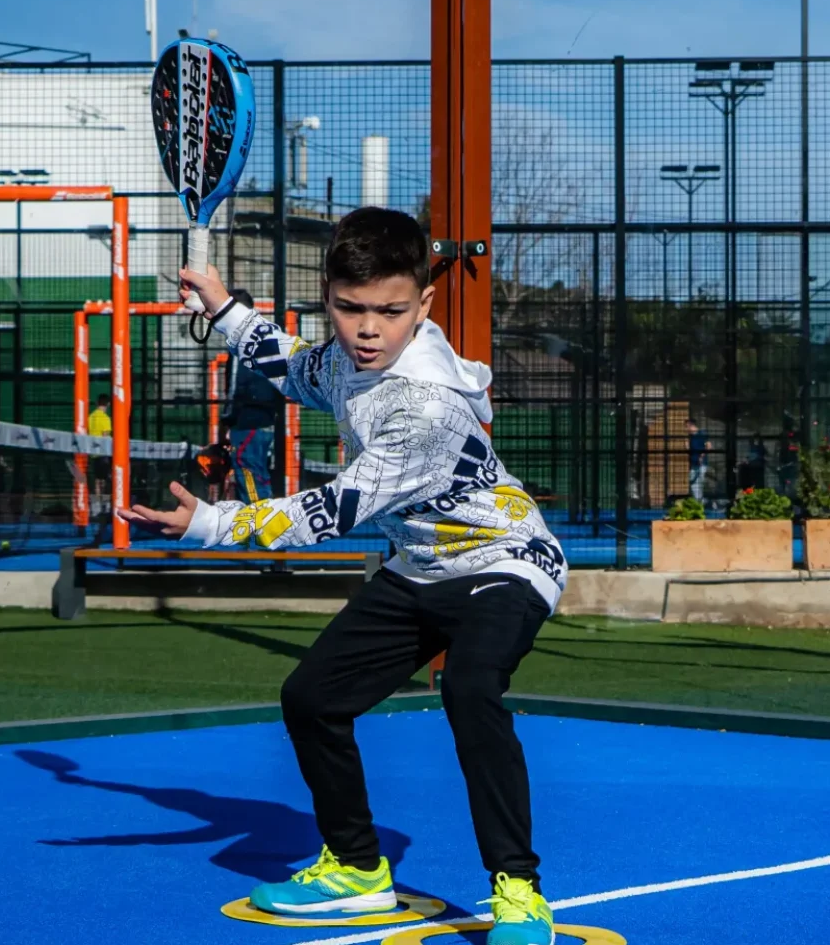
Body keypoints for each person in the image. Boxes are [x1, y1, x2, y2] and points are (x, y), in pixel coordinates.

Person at [118, 207, 566, 945]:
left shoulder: (423, 405)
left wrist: (208, 524)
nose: (367, 329)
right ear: (328, 297)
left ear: (423, 305)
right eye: (349, 308)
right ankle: (359, 870)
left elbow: (328, 513)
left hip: (506, 562)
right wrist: (226, 309)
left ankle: (517, 890)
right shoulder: (344, 361)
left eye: (389, 312)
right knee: (311, 699)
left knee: (470, 686)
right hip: (421, 566)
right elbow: (288, 365)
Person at [223, 289, 287, 502]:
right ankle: (264, 520)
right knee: (256, 470)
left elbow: (238, 386)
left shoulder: (244, 345)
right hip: (260, 419)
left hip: (250, 420)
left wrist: (230, 417)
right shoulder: (262, 339)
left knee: (247, 466)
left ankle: (257, 522)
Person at [86, 393, 114, 518]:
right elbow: (105, 437)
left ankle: (96, 508)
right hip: (103, 453)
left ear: (97, 403)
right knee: (108, 479)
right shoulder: (105, 418)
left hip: (93, 453)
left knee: (98, 480)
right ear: (108, 404)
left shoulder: (90, 417)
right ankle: (106, 506)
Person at [686, 418, 710, 502]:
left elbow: (709, 446)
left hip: (701, 463)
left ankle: (700, 501)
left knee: (699, 483)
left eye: (687, 426)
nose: (686, 429)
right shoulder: (690, 437)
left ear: (691, 425)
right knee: (693, 483)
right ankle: (699, 501)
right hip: (693, 463)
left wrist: (701, 456)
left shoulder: (701, 434)